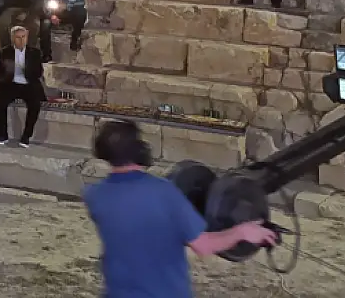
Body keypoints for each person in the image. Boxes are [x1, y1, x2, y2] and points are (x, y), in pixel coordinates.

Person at [84, 120, 280, 298]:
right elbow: (203, 245)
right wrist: (242, 232)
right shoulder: (163, 193)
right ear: (140, 150)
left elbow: (142, 227)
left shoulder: (95, 196)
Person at [0, 26, 46, 147]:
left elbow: (39, 73)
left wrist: (27, 70)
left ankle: (26, 136)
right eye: (18, 37)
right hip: (11, 83)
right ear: (12, 38)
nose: (21, 40)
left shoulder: (35, 53)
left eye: (24, 37)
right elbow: (0, 71)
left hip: (29, 83)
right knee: (0, 102)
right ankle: (3, 134)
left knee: (35, 104)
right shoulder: (4, 52)